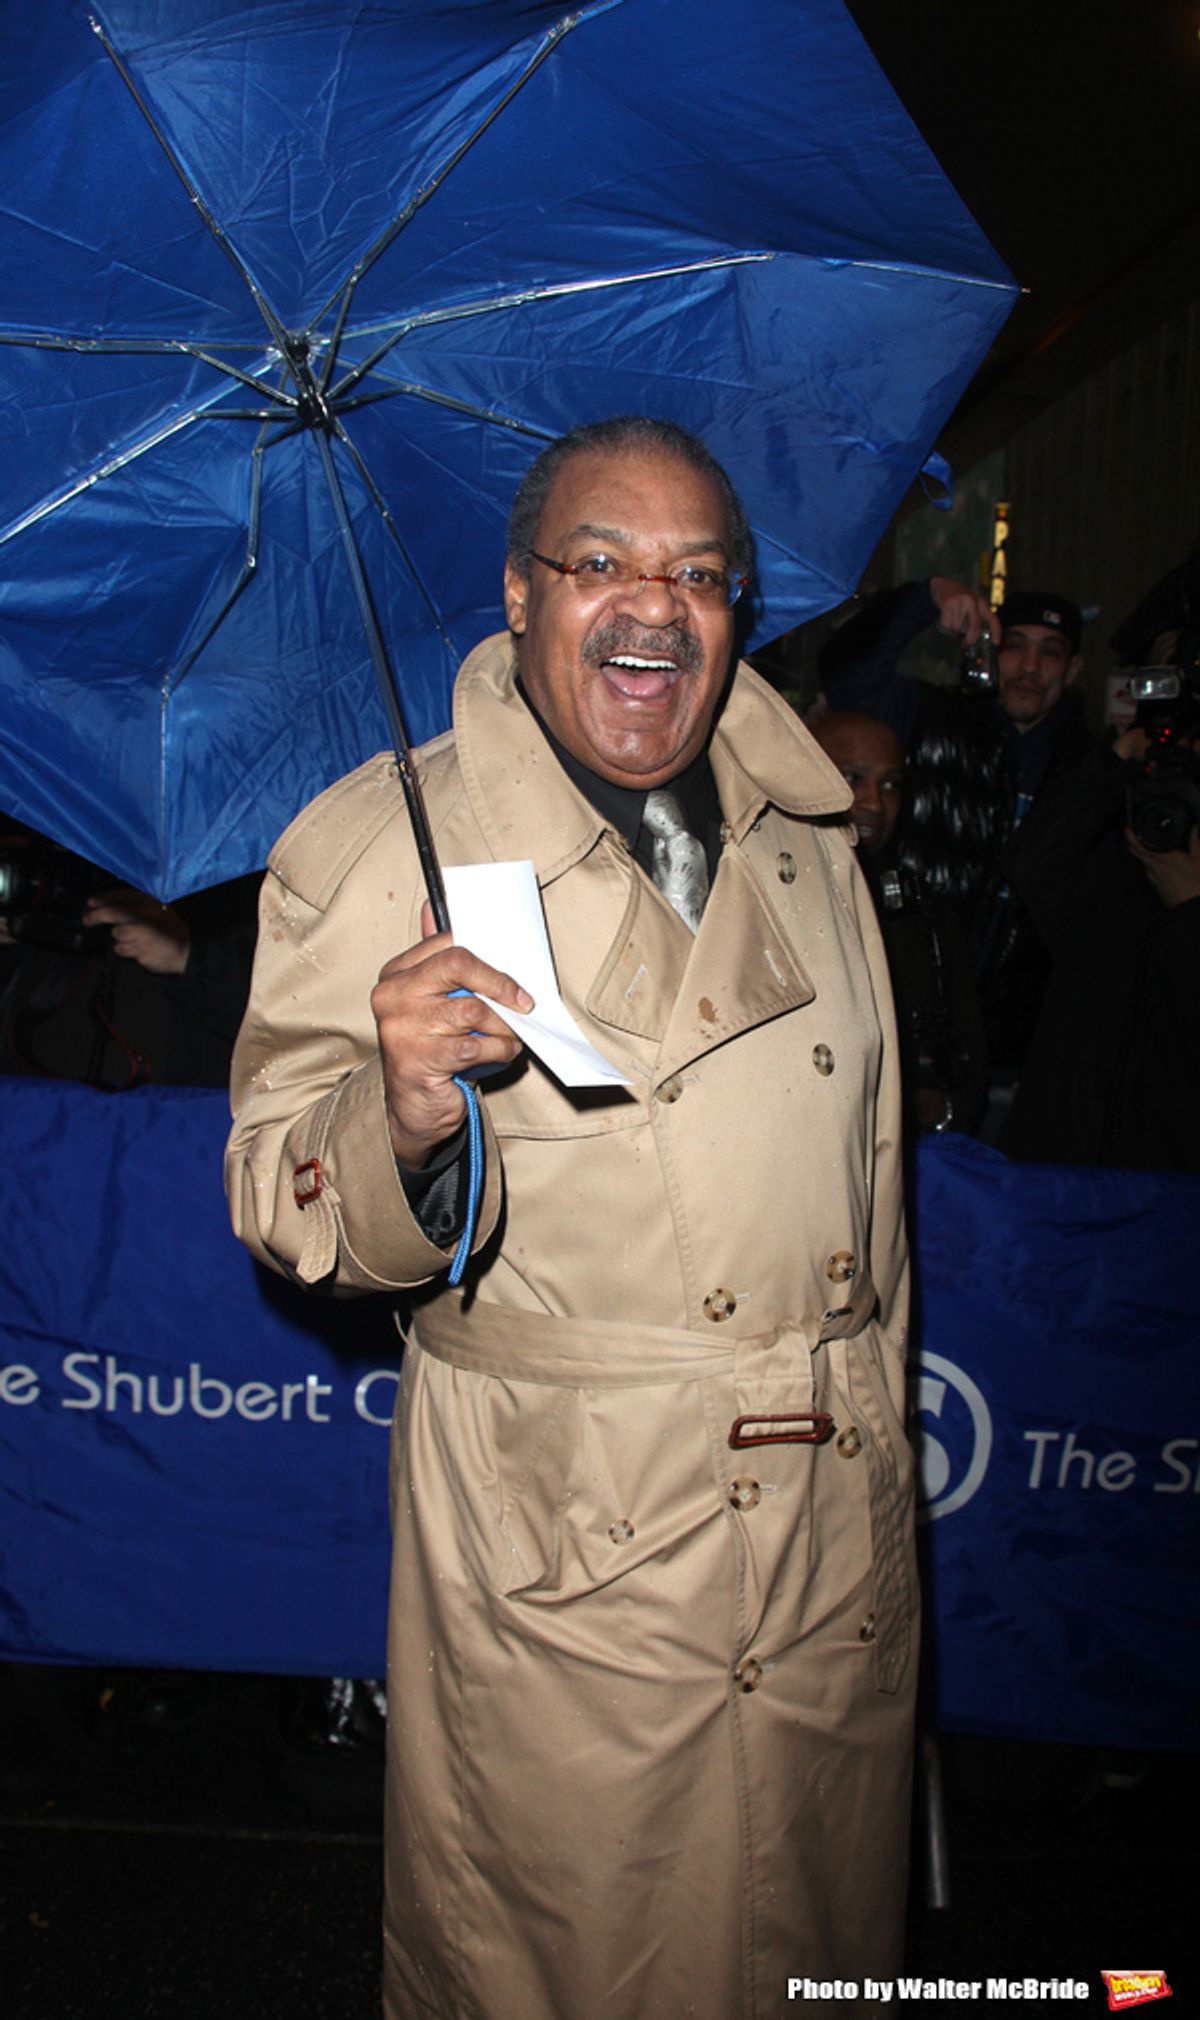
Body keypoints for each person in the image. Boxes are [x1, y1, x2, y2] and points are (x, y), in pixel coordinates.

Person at [226, 417, 916, 2020]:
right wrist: (395, 1116)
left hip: (826, 1559)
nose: (651, 608)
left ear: (741, 612)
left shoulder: (811, 841)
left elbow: (878, 1233)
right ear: (521, 598)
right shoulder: (377, 845)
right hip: (572, 1565)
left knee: (809, 1961)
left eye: (697, 573)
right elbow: (278, 1187)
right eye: (598, 563)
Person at [819, 575, 1092, 1108]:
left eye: (1050, 653)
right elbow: (848, 675)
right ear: (988, 647)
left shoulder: (1089, 769)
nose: (1030, 669)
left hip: (1025, 1050)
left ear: (1074, 669)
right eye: (1015, 647)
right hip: (914, 1030)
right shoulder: (931, 720)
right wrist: (927, 599)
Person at [810, 710, 986, 1136]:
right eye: (853, 778)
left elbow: (970, 1065)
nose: (874, 802)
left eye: (891, 784)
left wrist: (933, 1110)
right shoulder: (752, 894)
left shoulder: (921, 911)